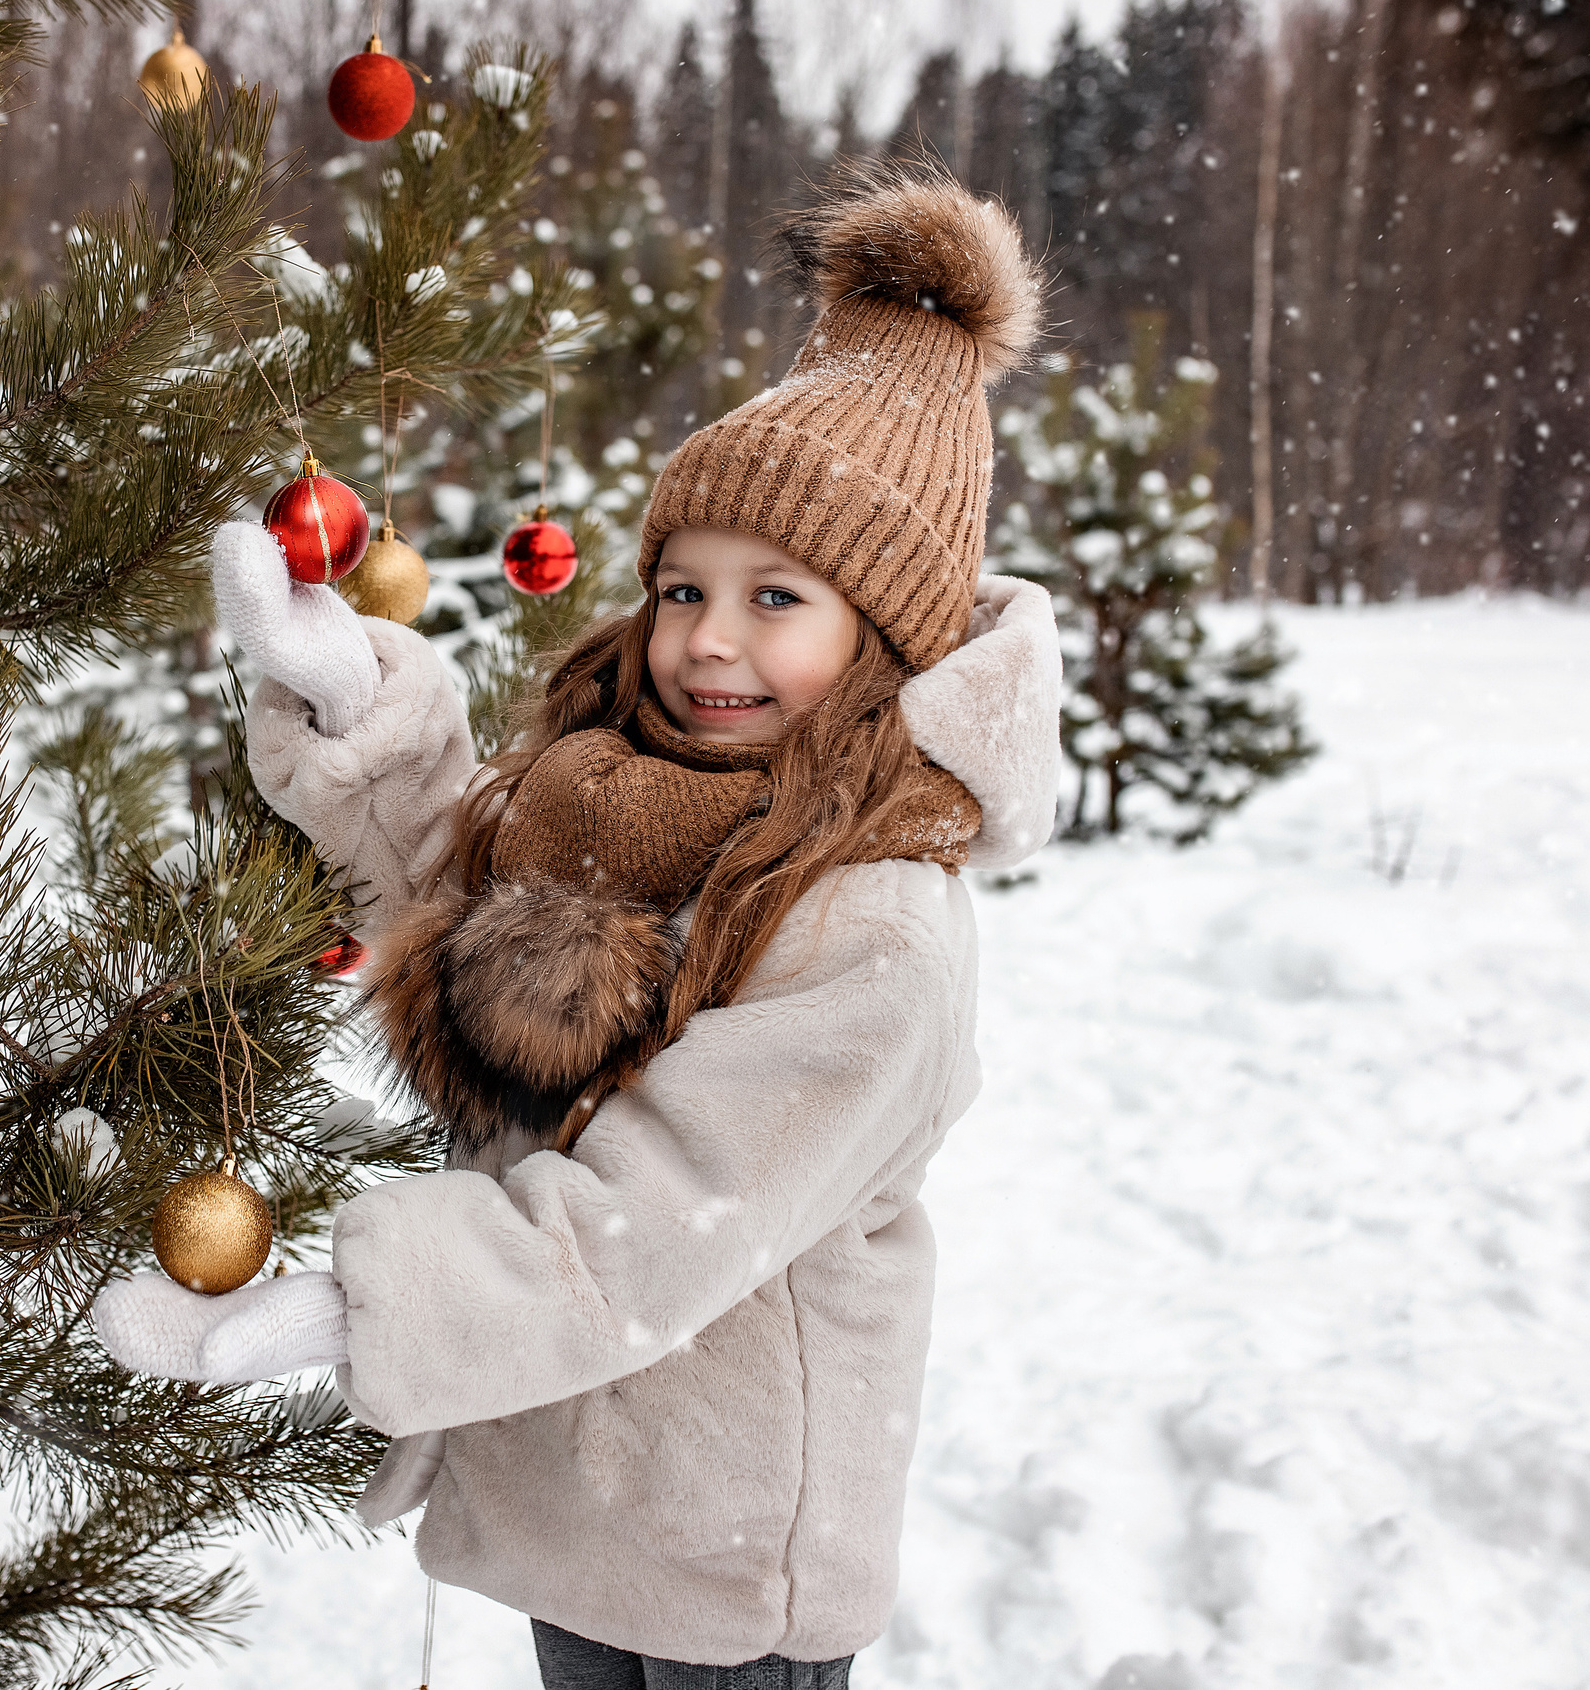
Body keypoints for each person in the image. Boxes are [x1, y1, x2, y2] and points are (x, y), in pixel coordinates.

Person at [93, 171, 1063, 1688]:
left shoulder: (875, 923)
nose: (707, 639)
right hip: (589, 1496)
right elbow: (476, 904)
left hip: (727, 1553)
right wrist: (365, 716)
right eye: (683, 585)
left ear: (887, 645)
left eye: (778, 597)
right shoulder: (627, 795)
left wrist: (357, 1306)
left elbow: (664, 1216)